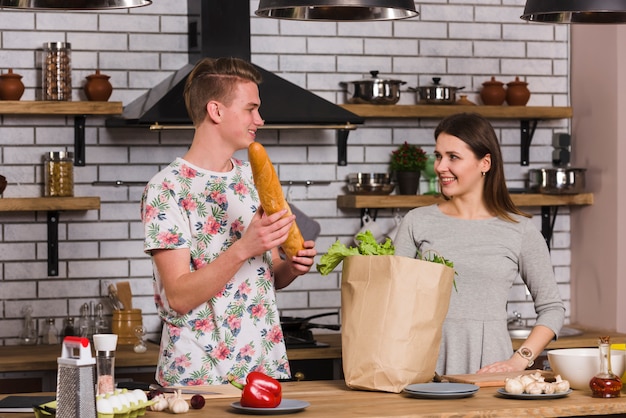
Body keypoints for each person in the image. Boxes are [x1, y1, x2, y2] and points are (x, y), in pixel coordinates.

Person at [140, 57, 317, 386]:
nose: (260, 120)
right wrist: (244, 247)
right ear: (216, 111)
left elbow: (268, 275)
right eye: (250, 109)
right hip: (199, 375)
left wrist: (292, 265)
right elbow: (178, 296)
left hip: (264, 367)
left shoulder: (253, 178)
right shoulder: (166, 188)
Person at [394, 112, 565, 376]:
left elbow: (552, 309)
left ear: (485, 163)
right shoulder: (416, 222)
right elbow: (392, 301)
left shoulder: (519, 230)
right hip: (422, 371)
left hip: (490, 373)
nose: (440, 167)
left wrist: (520, 359)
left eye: (453, 157)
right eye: (438, 156)